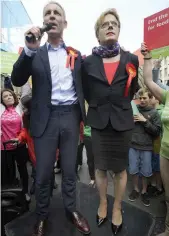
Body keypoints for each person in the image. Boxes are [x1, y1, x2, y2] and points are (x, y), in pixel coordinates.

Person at [11, 1, 90, 235]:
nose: (52, 16)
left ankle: (71, 209)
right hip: (45, 119)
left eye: (57, 13)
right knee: (44, 172)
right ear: (43, 22)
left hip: (70, 116)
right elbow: (16, 79)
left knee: (69, 169)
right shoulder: (34, 52)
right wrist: (29, 49)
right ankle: (42, 214)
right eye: (48, 13)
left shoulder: (75, 55)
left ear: (64, 23)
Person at [82, 8, 139, 235]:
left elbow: (132, 90)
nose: (110, 26)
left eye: (114, 23)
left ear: (118, 29)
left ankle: (117, 207)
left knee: (120, 169)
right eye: (105, 24)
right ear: (98, 33)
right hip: (98, 122)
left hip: (122, 122)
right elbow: (87, 91)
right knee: (101, 168)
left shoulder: (131, 59)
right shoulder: (88, 62)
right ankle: (103, 203)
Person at [141, 42, 169, 236]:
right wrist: (148, 58)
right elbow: (149, 82)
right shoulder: (167, 95)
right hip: (166, 153)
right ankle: (168, 229)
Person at [128, 88, 161, 206]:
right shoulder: (132, 110)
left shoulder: (154, 113)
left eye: (144, 98)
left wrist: (144, 121)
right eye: (140, 98)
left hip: (147, 147)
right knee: (133, 170)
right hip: (132, 145)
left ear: (150, 98)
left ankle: (144, 191)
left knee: (146, 172)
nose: (142, 100)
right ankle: (136, 189)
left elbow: (157, 131)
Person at [1, 89, 30, 201]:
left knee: (23, 170)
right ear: (2, 100)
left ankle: (25, 192)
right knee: (7, 171)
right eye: (5, 96)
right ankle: (9, 195)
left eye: (10, 95)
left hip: (19, 145)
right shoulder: (0, 111)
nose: (8, 97)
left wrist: (19, 139)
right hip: (3, 147)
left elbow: (25, 128)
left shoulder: (20, 109)